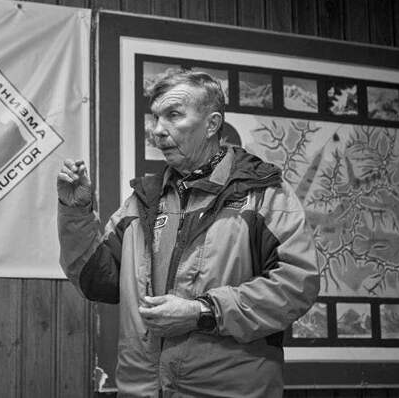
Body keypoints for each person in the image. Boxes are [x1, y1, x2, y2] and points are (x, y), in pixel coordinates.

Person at [57, 70, 319, 397]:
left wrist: (202, 313)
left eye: (173, 115)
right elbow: (95, 280)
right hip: (142, 390)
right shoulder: (143, 201)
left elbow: (296, 285)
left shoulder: (264, 194)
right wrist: (75, 212)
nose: (157, 130)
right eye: (156, 117)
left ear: (212, 124)